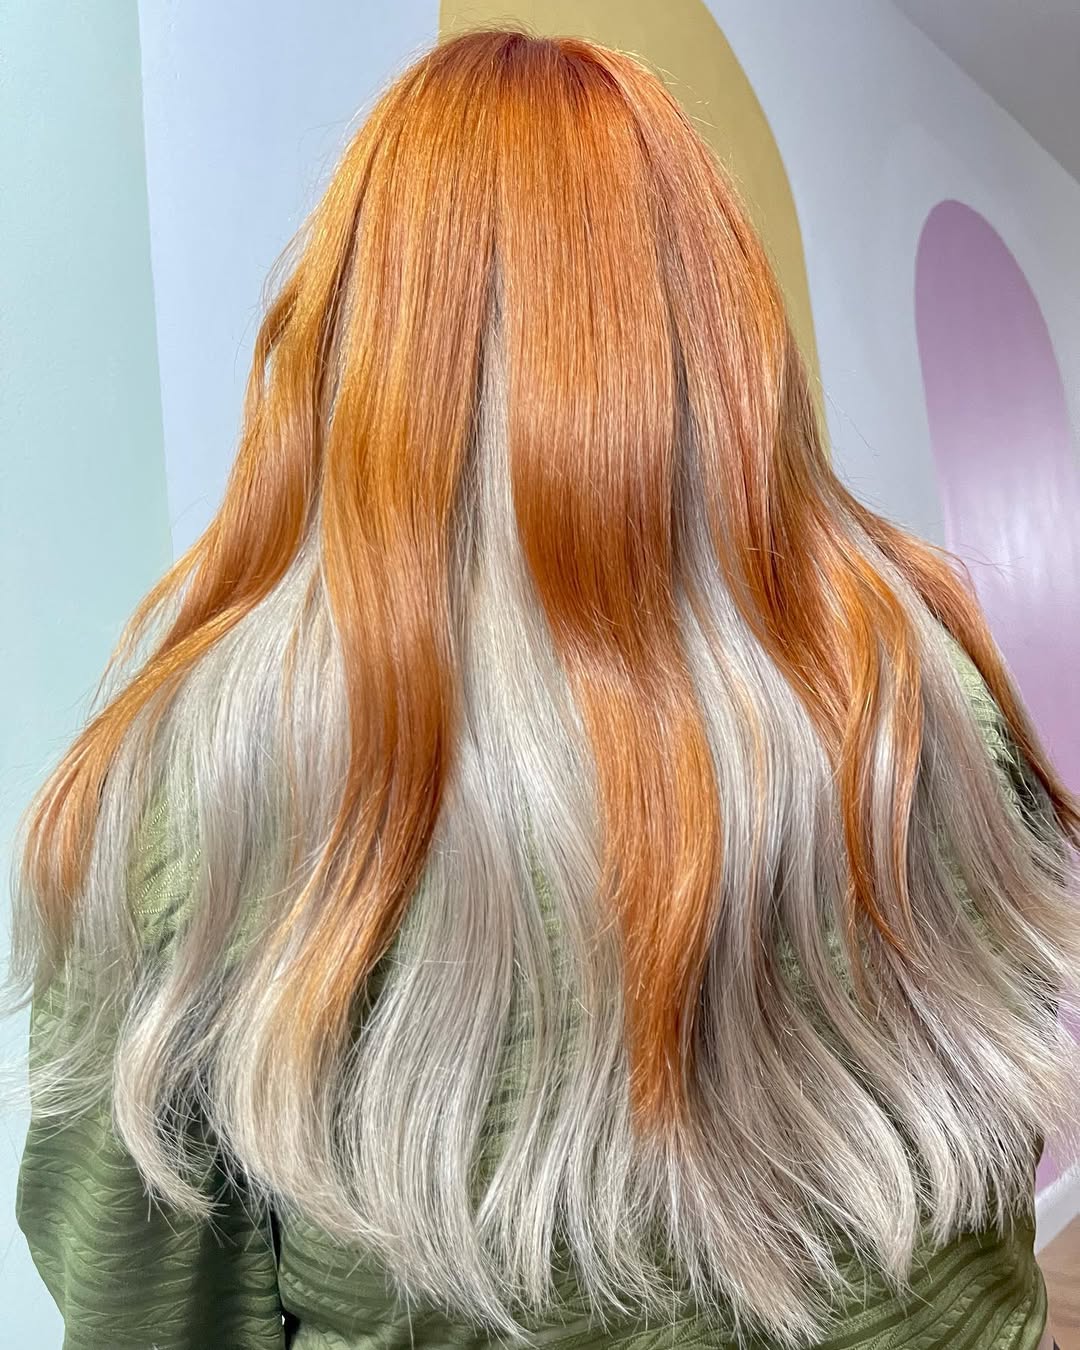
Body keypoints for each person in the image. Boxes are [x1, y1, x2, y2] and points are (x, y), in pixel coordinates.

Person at [9, 28, 1076, 1350]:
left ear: (352, 344)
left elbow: (147, 1317)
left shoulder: (194, 803)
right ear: (723, 344)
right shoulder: (929, 698)